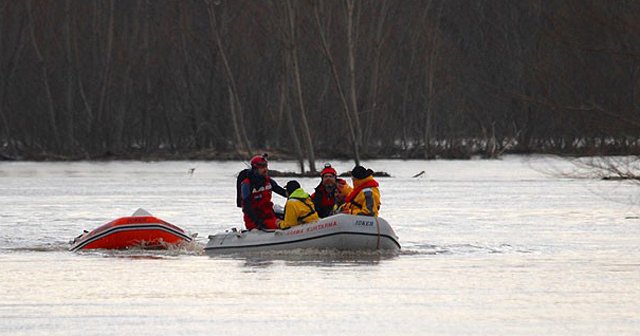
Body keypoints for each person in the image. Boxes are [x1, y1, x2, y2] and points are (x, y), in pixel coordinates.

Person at [239, 154, 287, 230]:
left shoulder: (268, 181)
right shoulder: (247, 184)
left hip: (269, 216)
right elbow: (247, 206)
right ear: (255, 169)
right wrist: (257, 222)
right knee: (284, 225)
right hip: (255, 221)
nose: (265, 169)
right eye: (262, 167)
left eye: (266, 166)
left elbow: (282, 192)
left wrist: (294, 193)